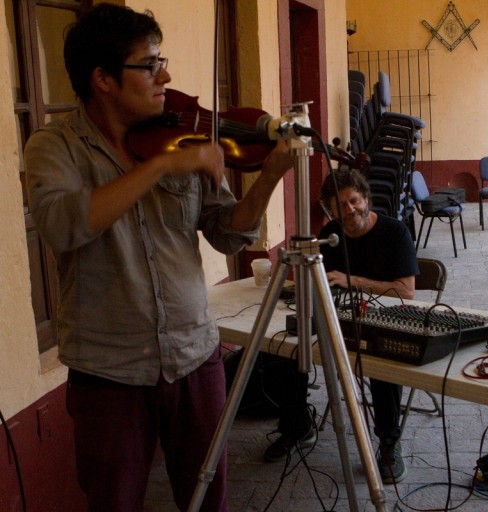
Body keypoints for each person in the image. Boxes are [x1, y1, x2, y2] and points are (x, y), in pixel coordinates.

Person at [24, 5, 293, 511]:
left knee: (206, 497)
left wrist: (271, 177)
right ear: (103, 79)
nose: (164, 76)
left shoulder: (180, 133)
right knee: (115, 502)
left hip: (194, 356)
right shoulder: (54, 146)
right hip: (109, 373)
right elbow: (62, 225)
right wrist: (164, 165)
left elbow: (226, 234)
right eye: (149, 65)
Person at [264, 168, 418, 485]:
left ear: (366, 199)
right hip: (335, 317)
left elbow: (405, 290)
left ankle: (388, 441)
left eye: (354, 201)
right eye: (340, 206)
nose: (350, 211)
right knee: (282, 346)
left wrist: (353, 281)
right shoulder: (330, 233)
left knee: (381, 357)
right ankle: (297, 427)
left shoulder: (394, 232)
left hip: (380, 319)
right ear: (330, 211)